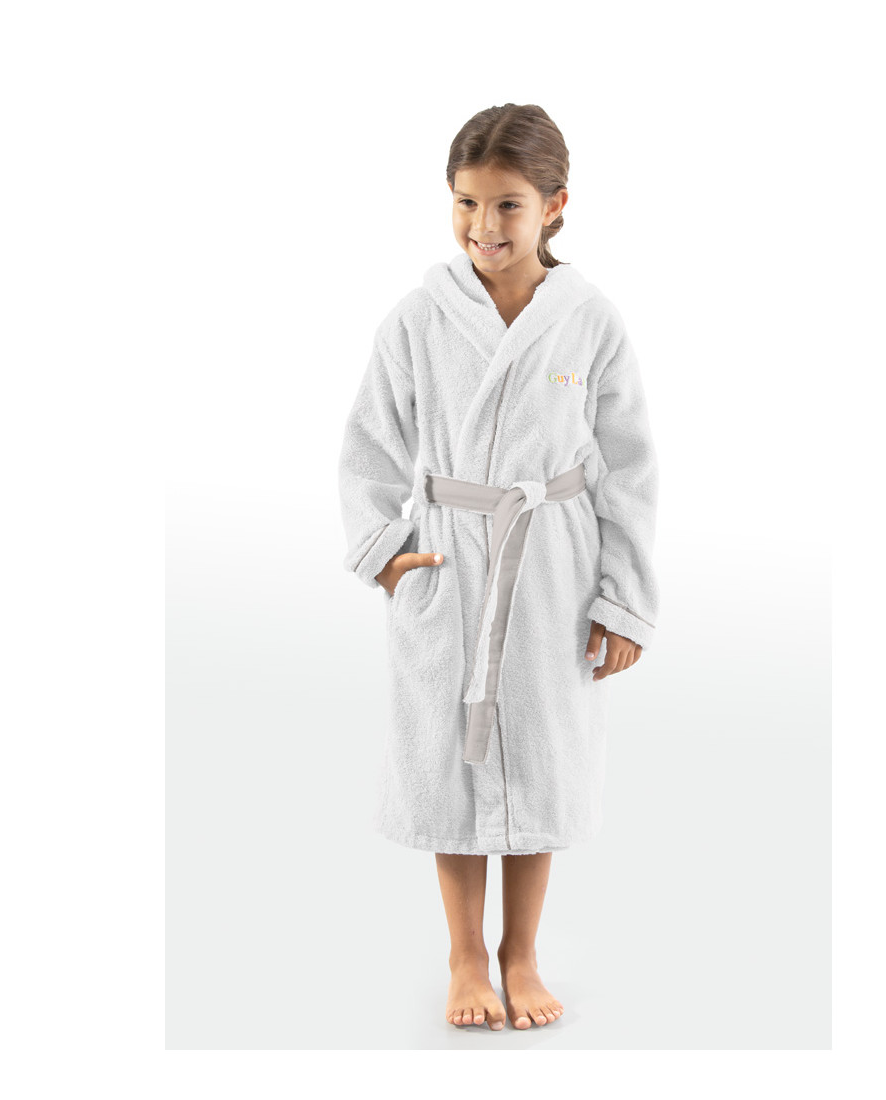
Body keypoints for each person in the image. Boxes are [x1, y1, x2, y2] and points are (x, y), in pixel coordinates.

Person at [338, 103, 660, 1031]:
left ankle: (522, 953)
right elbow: (368, 447)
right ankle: (465, 956)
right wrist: (389, 555)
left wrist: (623, 601)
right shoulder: (417, 318)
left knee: (540, 759)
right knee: (450, 760)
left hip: (551, 565)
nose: (484, 226)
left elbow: (629, 467)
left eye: (508, 205)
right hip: (448, 563)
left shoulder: (589, 321)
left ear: (555, 205)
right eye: (466, 202)